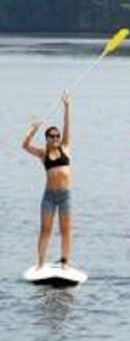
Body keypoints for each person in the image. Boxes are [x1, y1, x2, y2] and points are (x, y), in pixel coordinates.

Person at [21, 93, 73, 268]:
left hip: (65, 196)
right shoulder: (43, 154)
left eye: (57, 136)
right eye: (52, 136)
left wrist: (67, 107)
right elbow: (25, 146)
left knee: (66, 231)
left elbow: (67, 127)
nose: (56, 138)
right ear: (47, 138)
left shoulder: (65, 147)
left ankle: (64, 263)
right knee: (46, 230)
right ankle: (40, 264)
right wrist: (33, 129)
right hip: (49, 196)